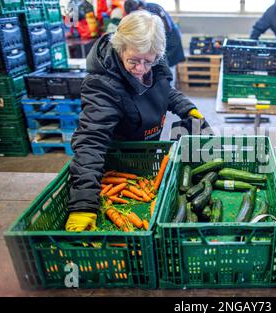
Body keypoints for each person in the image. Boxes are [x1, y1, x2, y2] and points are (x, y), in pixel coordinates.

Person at [65, 11, 204, 231]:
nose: (140, 69)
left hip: (148, 156)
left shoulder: (154, 62)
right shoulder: (102, 84)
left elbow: (164, 91)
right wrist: (83, 203)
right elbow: (91, 141)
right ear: (120, 49)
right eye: (133, 61)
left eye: (147, 62)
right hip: (119, 166)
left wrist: (187, 108)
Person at [124, 0, 185, 87]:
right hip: (164, 38)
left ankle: (169, 90)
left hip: (170, 39)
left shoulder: (153, 10)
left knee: (168, 66)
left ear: (138, 8)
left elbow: (166, 28)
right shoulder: (145, 9)